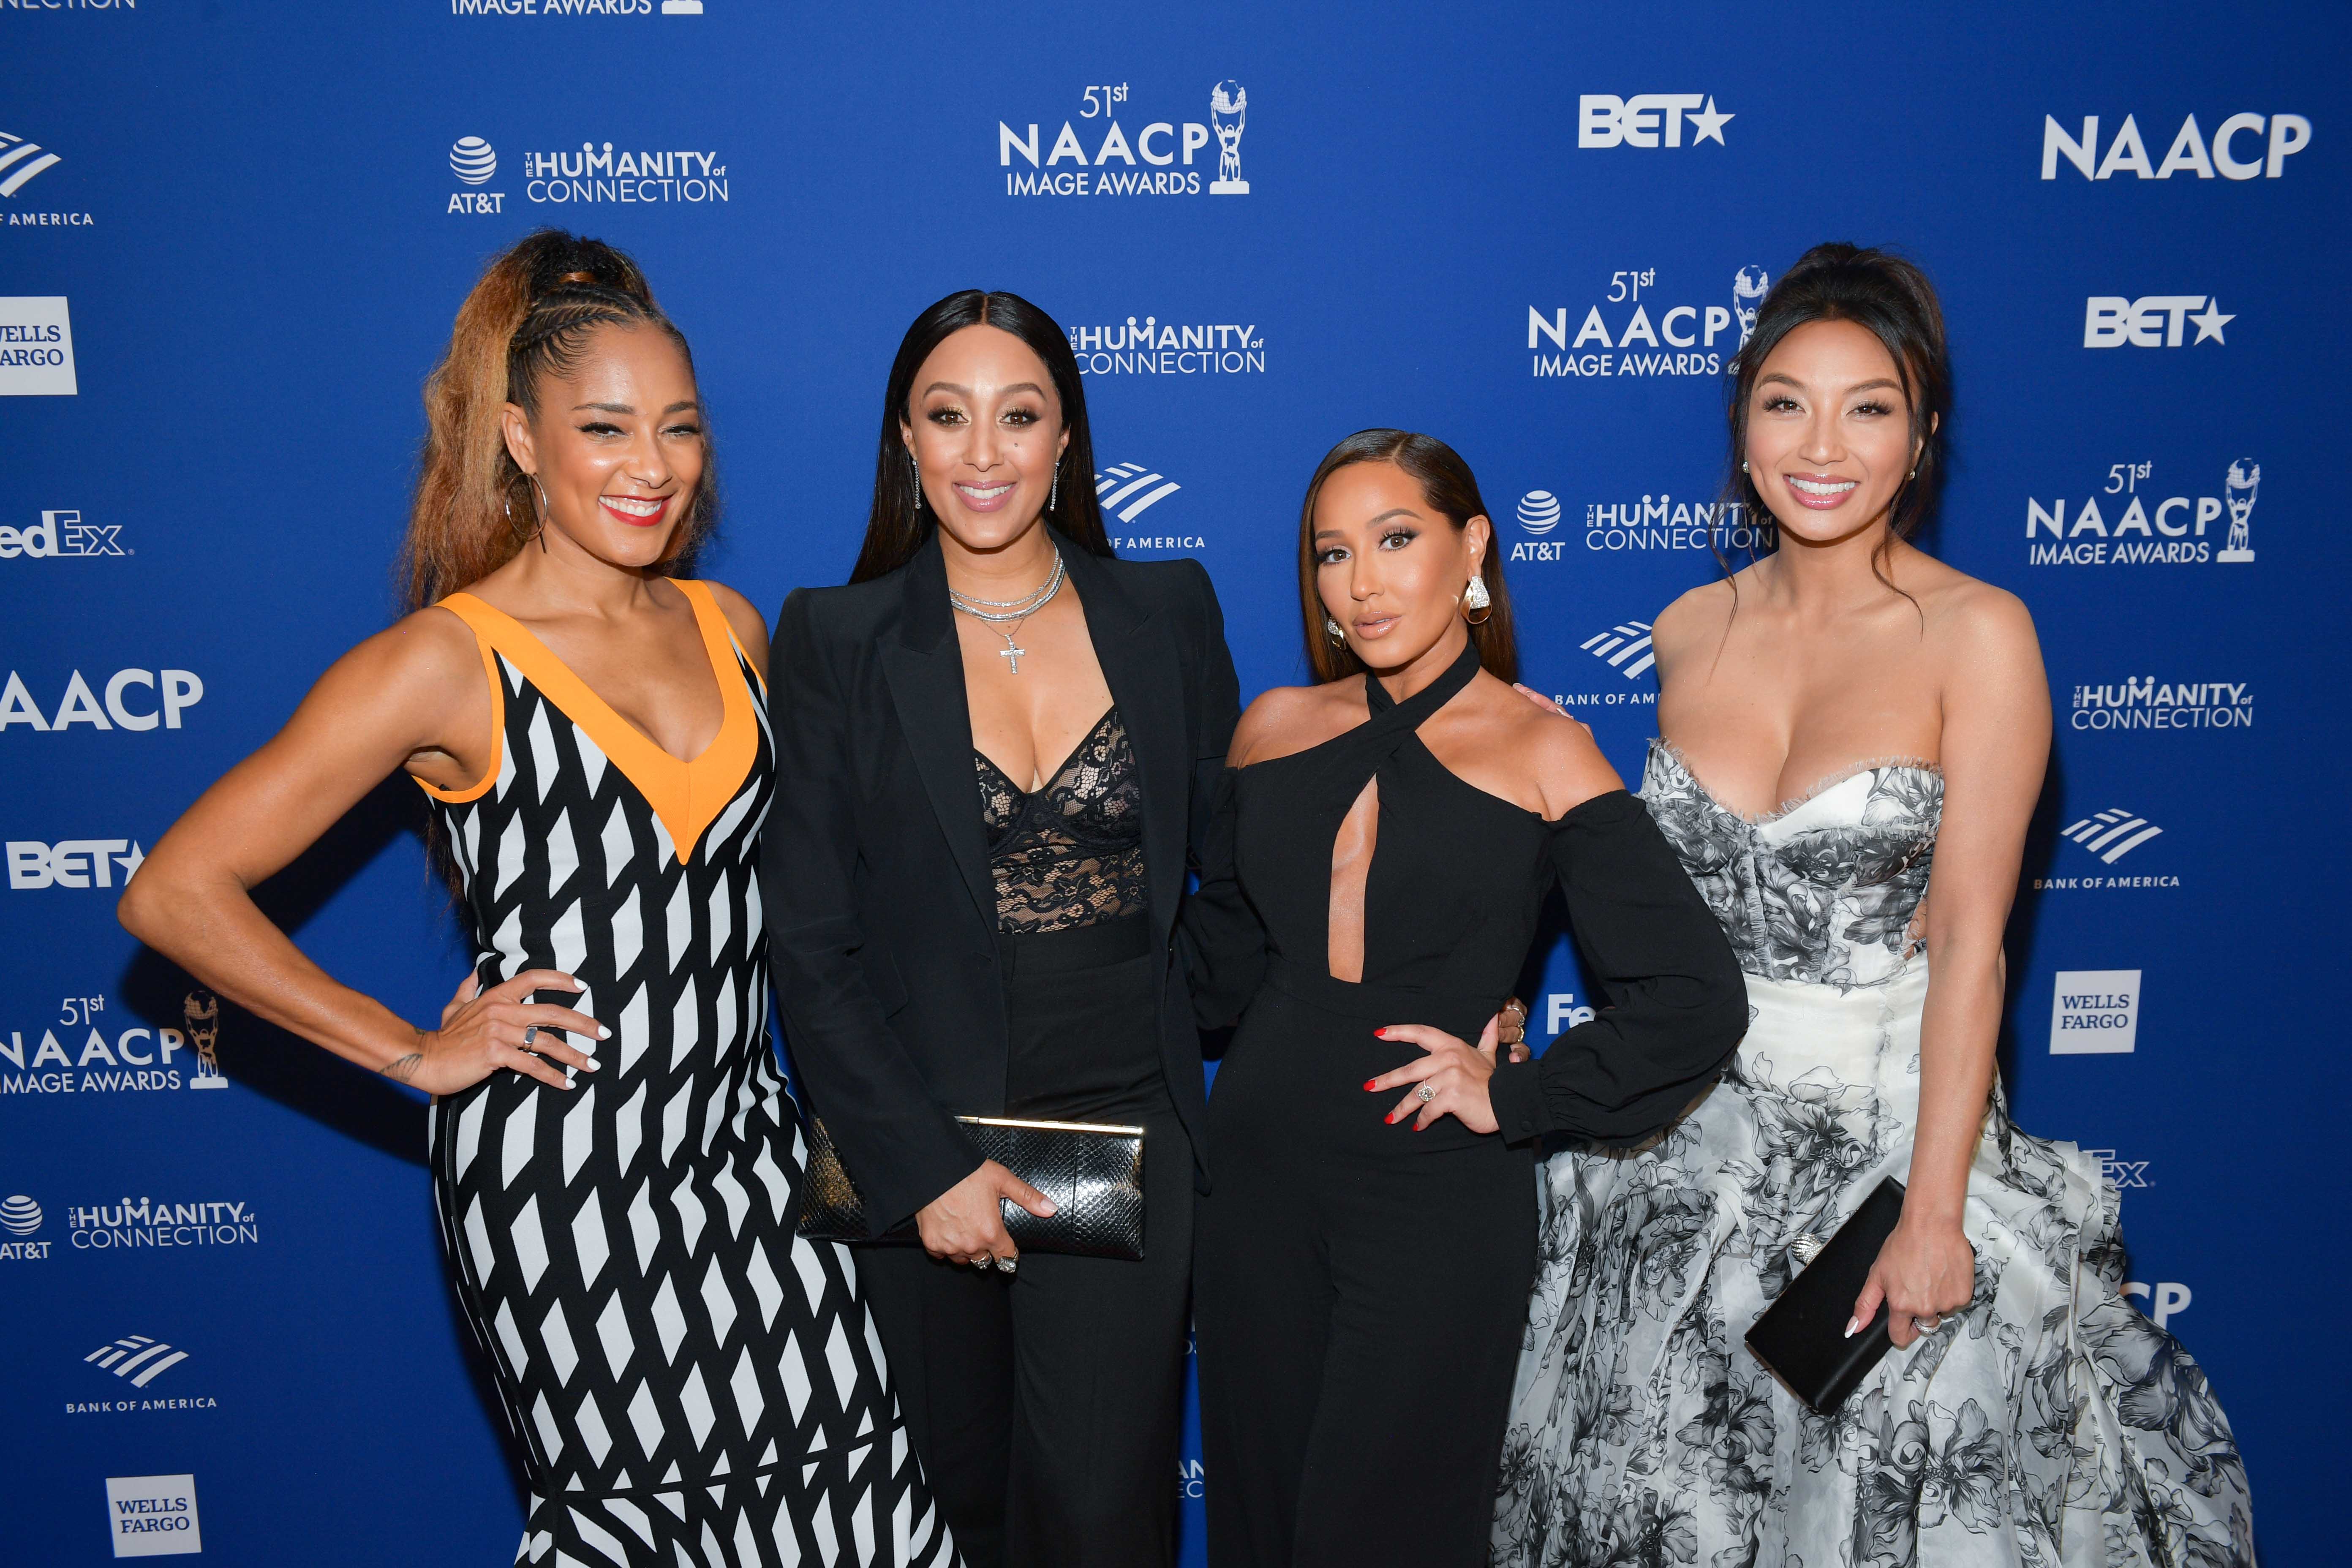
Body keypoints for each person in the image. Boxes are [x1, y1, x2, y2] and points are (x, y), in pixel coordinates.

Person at [118, 231, 956, 1567]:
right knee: (648, 1530)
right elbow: (173, 890)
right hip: (567, 1189)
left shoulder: (729, 628)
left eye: (678, 429)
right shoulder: (445, 664)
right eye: (606, 427)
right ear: (519, 440)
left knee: (860, 1513)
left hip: (751, 1163)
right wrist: (408, 1046)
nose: (651, 466)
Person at [1493, 245, 2255, 1568]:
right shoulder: (1686, 630)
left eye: (1870, 405)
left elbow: (1971, 942)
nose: (1823, 442)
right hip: (1676, 1162)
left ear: (1924, 434)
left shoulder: (1981, 635)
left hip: (1888, 1153)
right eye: (1787, 401)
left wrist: (1936, 1215)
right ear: (1742, 424)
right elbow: (1652, 926)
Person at [1185, 430, 1750, 1567]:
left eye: (1398, 540)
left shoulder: (1545, 748)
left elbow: (1694, 995)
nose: (1364, 581)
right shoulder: (1270, 728)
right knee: (1265, 1524)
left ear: (1473, 546)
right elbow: (1215, 972)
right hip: (1256, 1180)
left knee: (1382, 1534)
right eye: (1333, 554)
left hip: (1430, 1194)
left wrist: (1521, 1093)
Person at [762, 289, 1236, 1568]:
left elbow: (1241, 881)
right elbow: (809, 942)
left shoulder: (1169, 614)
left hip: (1119, 1129)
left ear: (1068, 439)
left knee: (1098, 1513)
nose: (984, 453)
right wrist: (925, 1168)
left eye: (1019, 416)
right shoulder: (836, 639)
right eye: (947, 417)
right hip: (919, 1138)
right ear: (904, 443)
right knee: (949, 1515)